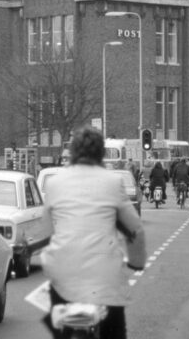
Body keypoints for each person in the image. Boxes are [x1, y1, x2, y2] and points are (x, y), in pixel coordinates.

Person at [40, 126, 145, 339]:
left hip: (63, 273)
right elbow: (135, 229)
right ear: (101, 153)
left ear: (73, 152)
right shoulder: (112, 182)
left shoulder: (54, 183)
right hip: (104, 278)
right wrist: (136, 262)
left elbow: (45, 232)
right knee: (114, 331)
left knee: (59, 324)